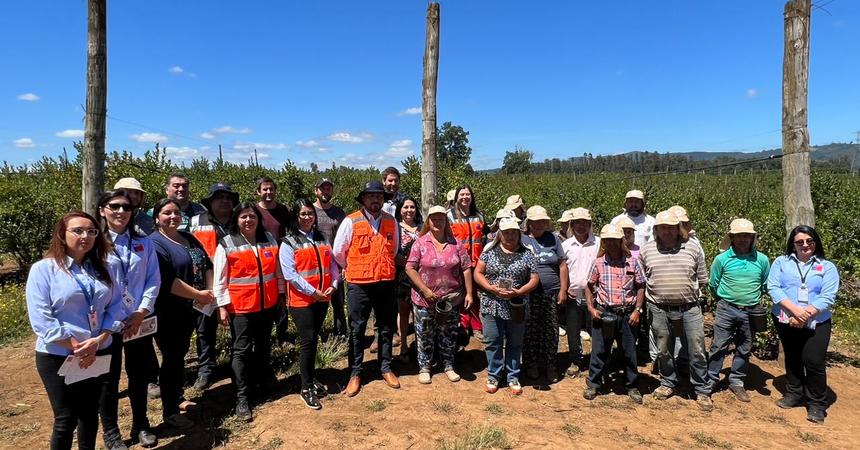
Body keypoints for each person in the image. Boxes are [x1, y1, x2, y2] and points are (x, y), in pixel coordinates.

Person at [26, 211, 123, 450]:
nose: (85, 236)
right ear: (62, 234)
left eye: (91, 231)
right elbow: (41, 318)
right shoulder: (43, 270)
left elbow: (116, 305)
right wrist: (78, 347)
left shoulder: (103, 268)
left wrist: (99, 340)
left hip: (97, 351)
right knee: (65, 419)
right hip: (59, 355)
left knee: (89, 414)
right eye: (77, 231)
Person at [97, 190, 161, 449]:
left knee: (139, 374)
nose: (121, 211)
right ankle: (111, 432)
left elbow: (153, 279)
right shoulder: (94, 243)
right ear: (103, 210)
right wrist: (111, 320)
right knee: (108, 380)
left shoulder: (143, 243)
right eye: (114, 206)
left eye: (126, 207)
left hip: (138, 321)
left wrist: (141, 312)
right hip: (105, 325)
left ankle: (141, 424)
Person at [214, 202, 283, 421]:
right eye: (243, 217)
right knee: (241, 350)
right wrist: (222, 306)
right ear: (236, 219)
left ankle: (262, 381)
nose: (248, 220)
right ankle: (242, 396)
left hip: (267, 305)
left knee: (264, 345)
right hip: (241, 307)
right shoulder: (227, 243)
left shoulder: (269, 240)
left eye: (252, 216)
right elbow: (219, 280)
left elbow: (277, 272)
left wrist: (281, 296)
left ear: (258, 219)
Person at [150, 198, 215, 430]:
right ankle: (169, 411)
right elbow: (167, 281)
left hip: (191, 308)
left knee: (179, 355)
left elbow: (207, 262)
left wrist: (208, 291)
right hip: (168, 311)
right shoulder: (155, 243)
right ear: (156, 217)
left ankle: (177, 398)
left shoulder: (187, 237)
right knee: (171, 358)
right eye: (167, 213)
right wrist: (198, 294)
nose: (173, 217)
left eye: (176, 213)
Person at [333, 180, 401, 397]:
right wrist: (353, 268)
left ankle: (386, 367)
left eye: (379, 196)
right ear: (363, 199)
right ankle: (355, 373)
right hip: (359, 284)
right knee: (357, 329)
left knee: (386, 326)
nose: (375, 200)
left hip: (385, 282)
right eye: (371, 196)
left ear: (383, 199)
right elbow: (338, 252)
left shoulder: (391, 221)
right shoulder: (350, 221)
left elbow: (394, 249)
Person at [640, 211, 711, 411]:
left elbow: (702, 278)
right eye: (663, 227)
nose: (667, 231)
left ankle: (701, 389)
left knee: (697, 349)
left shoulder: (693, 248)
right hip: (659, 308)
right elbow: (643, 279)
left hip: (689, 308)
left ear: (678, 228)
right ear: (656, 230)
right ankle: (667, 382)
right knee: (663, 349)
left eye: (671, 227)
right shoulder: (647, 250)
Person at [768, 225, 839, 424]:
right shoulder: (781, 262)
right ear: (793, 244)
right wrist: (795, 311)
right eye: (799, 241)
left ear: (815, 243)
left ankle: (817, 404)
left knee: (813, 361)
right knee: (792, 356)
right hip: (785, 317)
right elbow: (773, 287)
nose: (805, 245)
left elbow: (828, 296)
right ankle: (794, 393)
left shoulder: (827, 267)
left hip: (817, 320)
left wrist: (805, 314)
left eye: (809, 241)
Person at [279, 199, 340, 409]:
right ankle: (305, 387)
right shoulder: (288, 242)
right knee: (308, 340)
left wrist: (333, 283)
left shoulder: (320, 237)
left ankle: (311, 378)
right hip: (302, 301)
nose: (307, 218)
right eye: (303, 214)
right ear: (296, 217)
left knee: (313, 341)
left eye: (310, 214)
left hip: (323, 298)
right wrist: (314, 292)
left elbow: (332, 263)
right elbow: (291, 275)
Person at [405, 205, 473, 384]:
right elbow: (410, 268)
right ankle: (425, 367)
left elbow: (466, 268)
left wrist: (469, 293)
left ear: (446, 221)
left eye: (441, 218)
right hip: (424, 299)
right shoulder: (420, 243)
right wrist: (425, 290)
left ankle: (449, 365)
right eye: (434, 218)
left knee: (449, 333)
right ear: (428, 221)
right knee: (425, 333)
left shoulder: (455, 243)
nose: (437, 222)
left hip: (450, 299)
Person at [705, 219, 770, 404]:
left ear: (752, 238)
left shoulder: (762, 260)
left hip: (751, 311)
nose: (743, 239)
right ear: (732, 237)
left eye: (747, 236)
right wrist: (725, 301)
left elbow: (764, 285)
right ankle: (711, 379)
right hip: (727, 308)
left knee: (744, 347)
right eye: (740, 235)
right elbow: (713, 285)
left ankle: (736, 380)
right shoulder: (722, 259)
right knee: (719, 345)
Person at [473, 217, 540, 395]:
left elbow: (534, 278)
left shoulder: (527, 253)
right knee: (493, 340)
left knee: (515, 342)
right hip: (492, 303)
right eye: (506, 233)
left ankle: (513, 376)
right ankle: (494, 375)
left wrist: (519, 292)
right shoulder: (489, 251)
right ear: (500, 235)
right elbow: (478, 272)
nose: (510, 236)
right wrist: (489, 287)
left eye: (513, 233)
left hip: (517, 304)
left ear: (519, 234)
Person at [582, 225, 646, 404]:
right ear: (604, 242)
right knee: (599, 350)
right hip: (604, 313)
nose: (610, 243)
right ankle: (594, 383)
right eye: (607, 240)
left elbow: (641, 286)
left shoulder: (632, 262)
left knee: (629, 351)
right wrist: (591, 307)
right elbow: (588, 285)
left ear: (621, 241)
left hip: (627, 314)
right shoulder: (599, 263)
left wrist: (637, 310)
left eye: (614, 240)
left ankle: (632, 385)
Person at [188, 182, 239, 391]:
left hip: (235, 284)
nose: (224, 201)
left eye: (228, 197)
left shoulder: (239, 220)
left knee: (239, 328)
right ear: (210, 202)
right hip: (206, 286)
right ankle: (206, 369)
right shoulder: (195, 222)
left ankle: (239, 367)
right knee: (204, 329)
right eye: (219, 197)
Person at [521, 205, 568, 382]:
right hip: (529, 293)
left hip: (551, 292)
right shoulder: (523, 239)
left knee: (550, 330)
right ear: (529, 223)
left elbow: (562, 265)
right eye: (536, 221)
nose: (539, 224)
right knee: (530, 330)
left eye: (542, 221)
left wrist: (563, 289)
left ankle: (550, 364)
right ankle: (531, 364)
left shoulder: (553, 239)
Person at [561, 207, 599, 377]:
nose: (581, 226)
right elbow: (562, 269)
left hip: (596, 294)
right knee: (573, 329)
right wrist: (566, 287)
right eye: (577, 223)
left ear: (590, 224)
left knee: (595, 329)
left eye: (584, 223)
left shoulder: (598, 243)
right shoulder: (566, 245)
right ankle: (575, 360)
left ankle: (596, 361)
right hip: (573, 293)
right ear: (572, 224)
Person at [447, 184, 486, 341]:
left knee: (474, 296)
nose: (465, 197)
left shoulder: (479, 215)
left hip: (476, 263)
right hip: (457, 263)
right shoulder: (449, 216)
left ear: (472, 197)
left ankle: (476, 327)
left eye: (467, 194)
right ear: (456, 197)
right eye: (462, 194)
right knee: (460, 295)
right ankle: (463, 326)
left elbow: (484, 237)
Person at [312, 178, 348, 339]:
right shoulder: (309, 211)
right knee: (316, 300)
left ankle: (340, 334)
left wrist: (345, 264)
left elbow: (346, 239)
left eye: (328, 188)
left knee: (339, 302)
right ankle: (316, 334)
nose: (325, 192)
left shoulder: (339, 213)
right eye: (322, 189)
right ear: (316, 191)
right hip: (314, 265)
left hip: (336, 263)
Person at [395, 197, 422, 361]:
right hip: (402, 276)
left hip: (421, 277)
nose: (409, 210)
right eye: (406, 207)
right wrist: (409, 265)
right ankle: (404, 346)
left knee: (420, 313)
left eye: (412, 207)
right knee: (403, 312)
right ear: (400, 209)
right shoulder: (395, 228)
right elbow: (393, 252)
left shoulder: (423, 228)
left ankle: (421, 347)